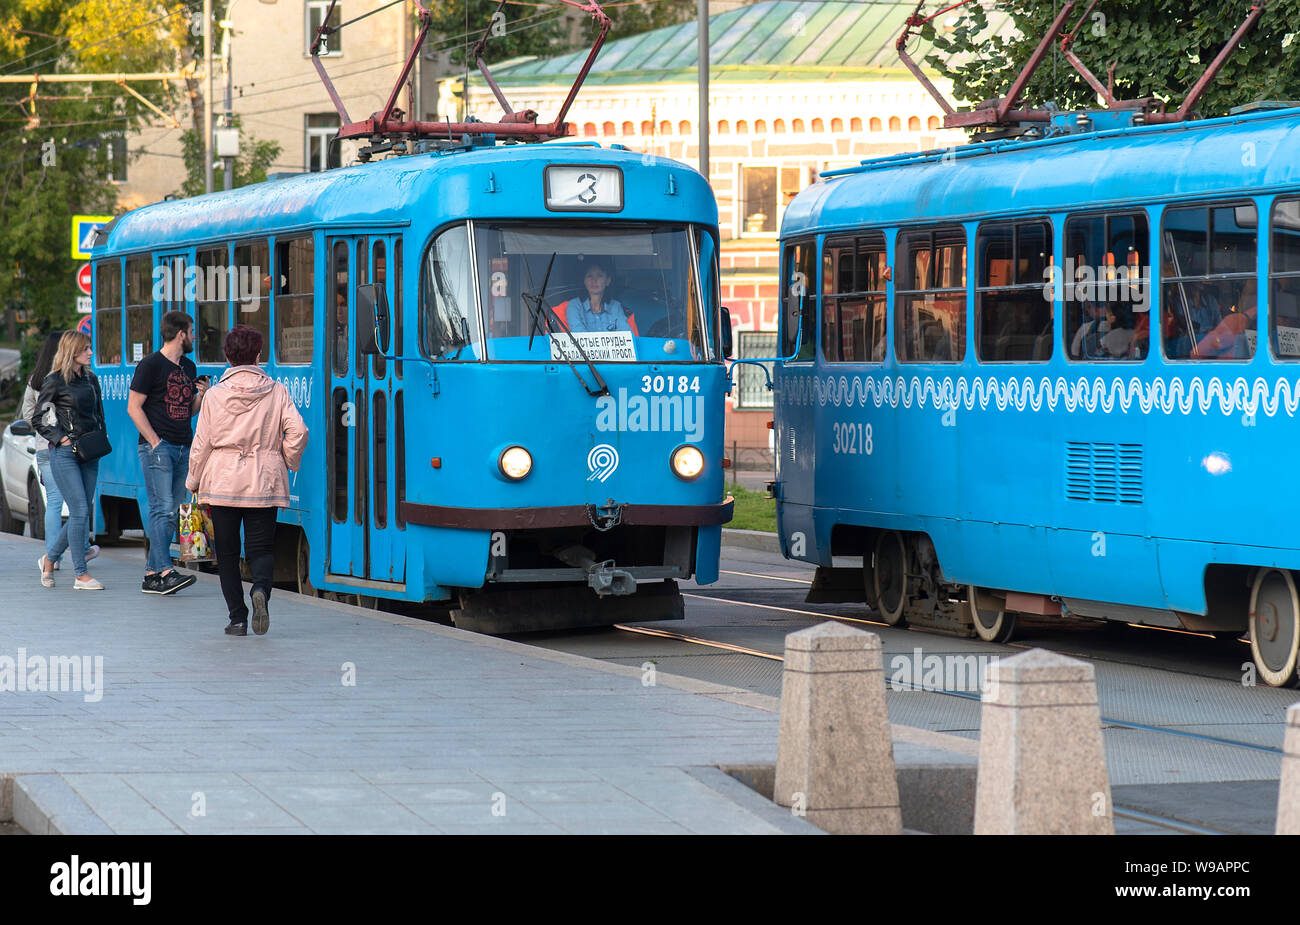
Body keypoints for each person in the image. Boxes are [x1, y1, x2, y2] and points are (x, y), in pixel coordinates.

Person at [187, 325, 308, 636]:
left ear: (227, 356)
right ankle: (261, 592)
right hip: (263, 481)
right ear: (258, 354)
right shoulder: (277, 391)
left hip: (223, 483)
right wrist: (286, 461)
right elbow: (298, 432)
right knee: (262, 548)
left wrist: (193, 480)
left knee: (227, 554)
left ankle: (237, 619)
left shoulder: (213, 396)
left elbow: (202, 443)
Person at [127, 310, 208, 595]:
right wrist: (155, 442)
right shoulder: (150, 365)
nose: (195, 335)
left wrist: (201, 394)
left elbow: (190, 410)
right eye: (192, 330)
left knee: (171, 512)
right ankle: (165, 570)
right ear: (180, 334)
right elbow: (133, 407)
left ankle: (152, 575)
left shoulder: (188, 366)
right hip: (157, 448)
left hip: (183, 446)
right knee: (163, 508)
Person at [22, 331, 98, 585]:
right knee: (78, 510)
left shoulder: (91, 380)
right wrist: (59, 438)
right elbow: (37, 417)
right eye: (86, 348)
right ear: (72, 352)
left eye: (90, 347)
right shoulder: (53, 380)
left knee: (82, 512)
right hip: (64, 453)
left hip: (89, 451)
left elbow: (99, 414)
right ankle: (81, 574)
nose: (90, 352)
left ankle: (50, 559)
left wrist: (100, 438)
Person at [564, 260, 634, 334]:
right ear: (584, 281)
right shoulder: (574, 305)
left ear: (608, 281)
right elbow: (578, 334)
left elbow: (626, 334)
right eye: (589, 276)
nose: (594, 280)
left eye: (599, 276)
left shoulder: (616, 306)